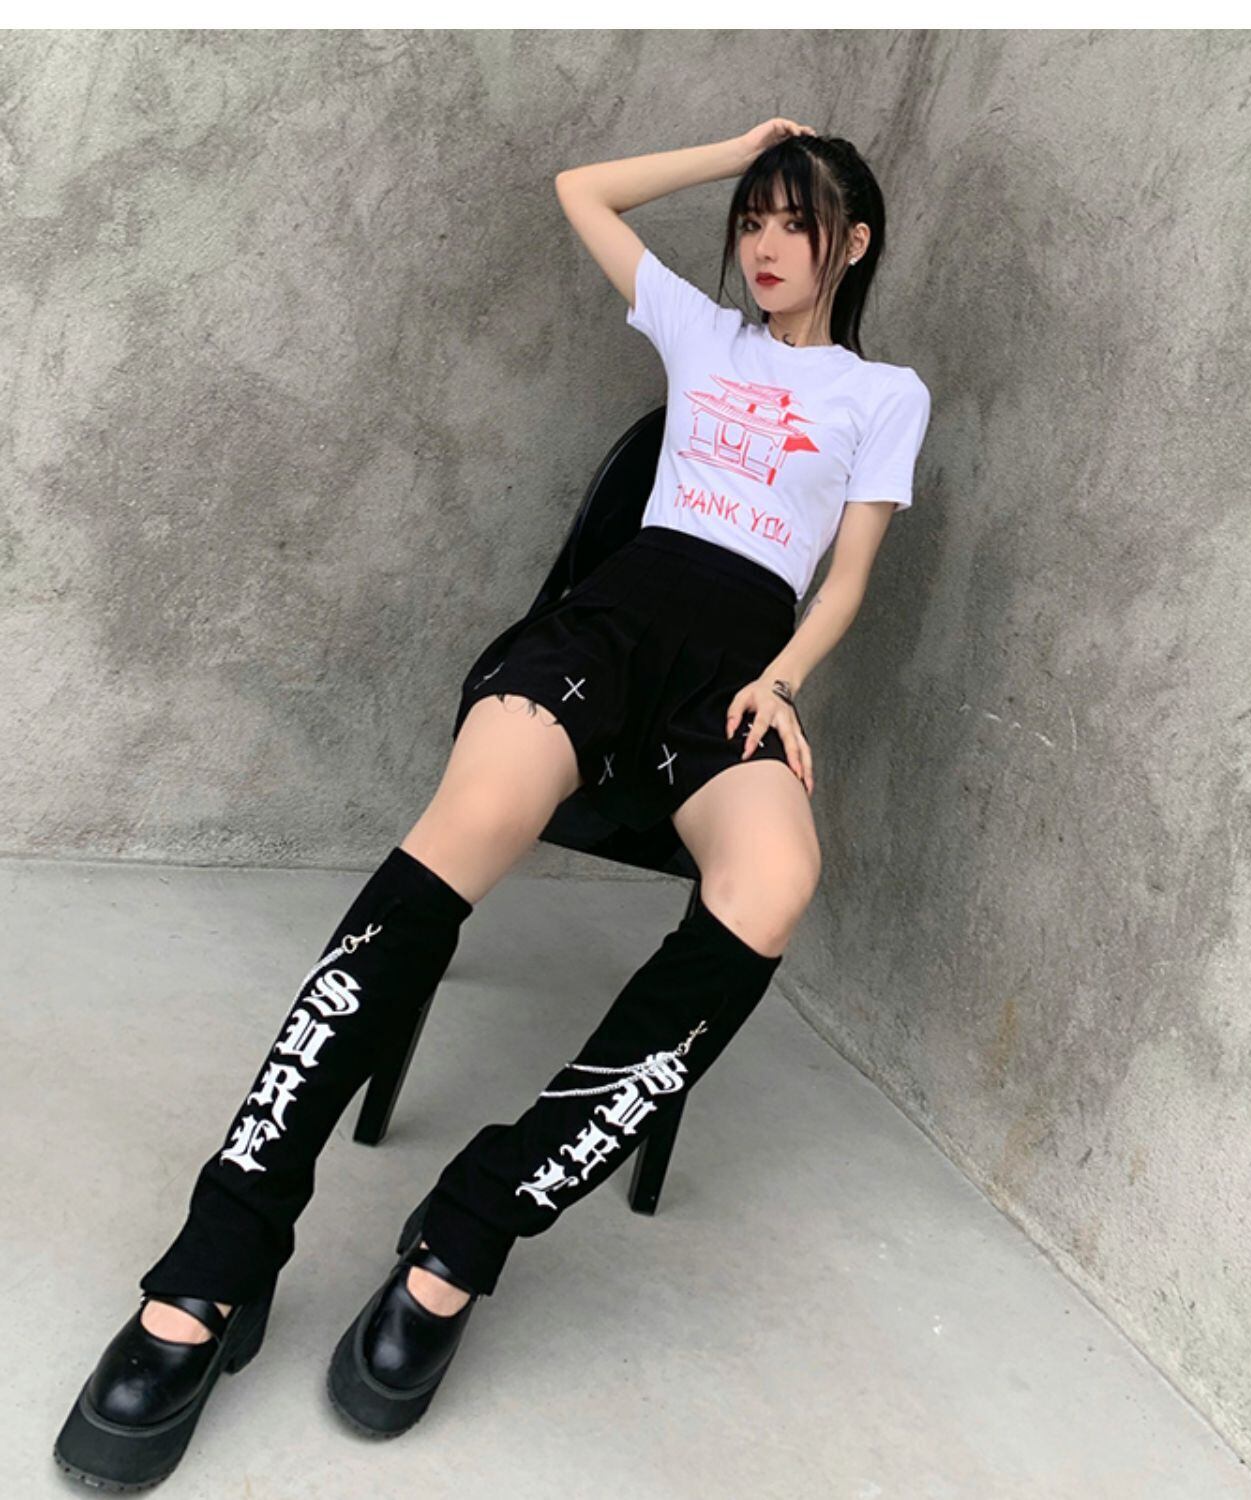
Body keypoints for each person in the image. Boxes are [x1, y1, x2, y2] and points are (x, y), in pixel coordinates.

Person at [54, 115, 932, 1488]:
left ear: (855, 242)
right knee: (458, 833)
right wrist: (741, 149)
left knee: (775, 885)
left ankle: (472, 1225)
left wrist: (783, 682)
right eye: (753, 219)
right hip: (606, 631)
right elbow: (581, 190)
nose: (765, 245)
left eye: (796, 220)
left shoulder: (885, 394)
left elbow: (852, 576)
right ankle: (222, 1249)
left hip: (736, 675)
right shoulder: (704, 334)